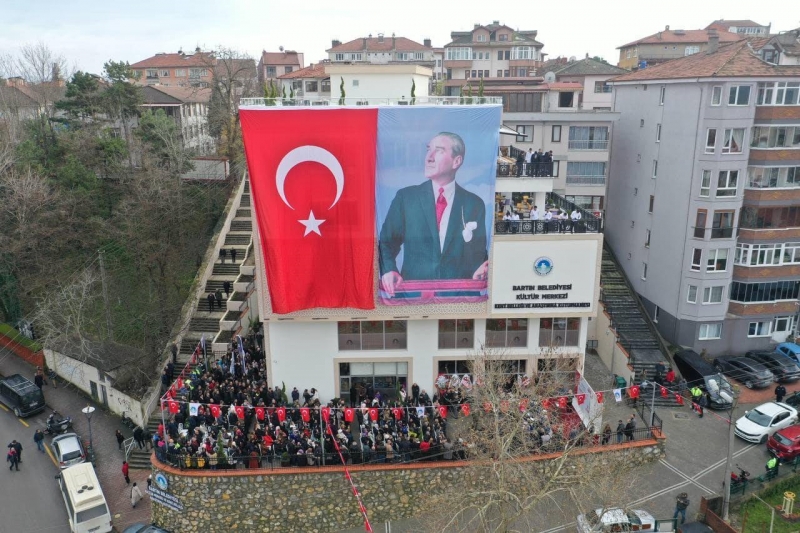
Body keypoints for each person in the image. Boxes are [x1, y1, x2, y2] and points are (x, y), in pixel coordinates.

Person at [379, 132, 489, 298]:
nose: (429, 157)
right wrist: (389, 270)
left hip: (458, 299)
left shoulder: (474, 204)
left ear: (456, 161)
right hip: (413, 296)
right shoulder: (406, 198)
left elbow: (476, 252)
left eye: (438, 151)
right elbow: (387, 242)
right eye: (428, 150)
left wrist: (483, 266)